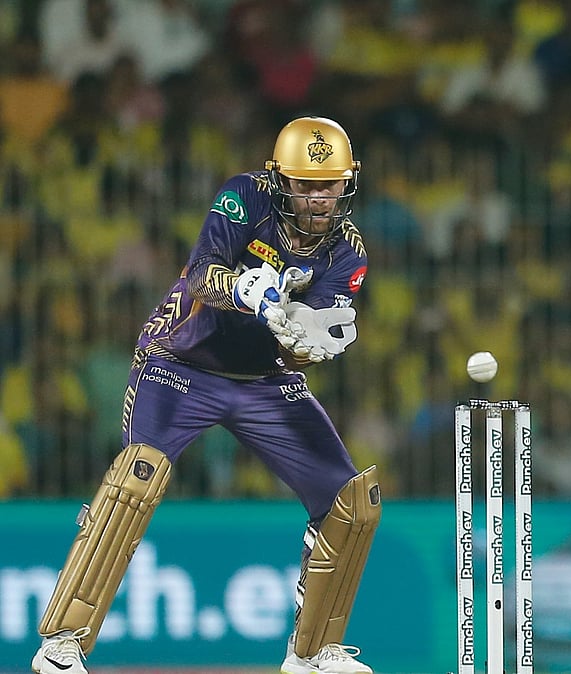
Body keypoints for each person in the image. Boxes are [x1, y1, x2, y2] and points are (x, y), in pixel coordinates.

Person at [31, 116, 381, 674]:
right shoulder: (243, 197)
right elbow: (200, 276)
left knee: (351, 501)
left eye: (330, 183)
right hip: (180, 365)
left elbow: (302, 347)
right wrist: (251, 291)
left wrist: (308, 343)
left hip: (265, 381)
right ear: (281, 179)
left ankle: (312, 654)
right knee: (135, 479)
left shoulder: (348, 252)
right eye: (307, 183)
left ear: (347, 183)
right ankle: (62, 644)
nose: (319, 196)